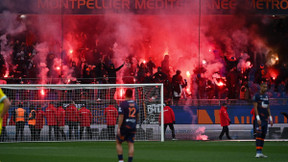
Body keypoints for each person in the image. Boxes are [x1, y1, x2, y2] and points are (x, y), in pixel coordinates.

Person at [116, 89, 139, 162]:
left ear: (125, 94)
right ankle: (130, 161)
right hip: (132, 126)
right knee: (131, 144)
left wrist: (119, 127)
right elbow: (138, 115)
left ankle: (121, 160)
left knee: (118, 142)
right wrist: (135, 123)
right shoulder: (135, 104)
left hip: (124, 126)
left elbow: (121, 116)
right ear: (132, 95)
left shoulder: (123, 104)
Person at [253, 82, 273, 158]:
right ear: (260, 87)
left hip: (265, 119)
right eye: (264, 87)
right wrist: (257, 118)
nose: (265, 88)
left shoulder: (266, 96)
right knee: (259, 135)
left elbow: (268, 107)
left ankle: (260, 152)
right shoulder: (256, 96)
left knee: (263, 136)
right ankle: (257, 152)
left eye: (266, 87)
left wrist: (270, 118)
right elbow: (255, 108)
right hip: (259, 119)